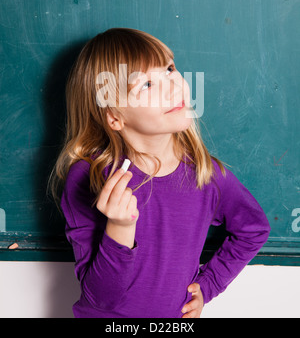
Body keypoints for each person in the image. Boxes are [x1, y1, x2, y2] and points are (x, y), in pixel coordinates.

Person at [49, 27, 270, 318]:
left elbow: (253, 229)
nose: (173, 85)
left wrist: (209, 284)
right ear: (114, 116)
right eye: (146, 85)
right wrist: (120, 228)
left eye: (169, 68)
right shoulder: (89, 177)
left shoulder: (206, 174)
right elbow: (102, 299)